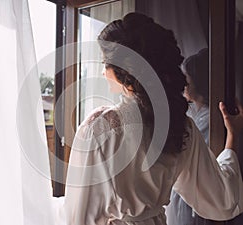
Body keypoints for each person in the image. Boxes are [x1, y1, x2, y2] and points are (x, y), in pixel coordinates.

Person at [63, 13, 243, 225]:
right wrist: (232, 136)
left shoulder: (100, 127)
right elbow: (221, 200)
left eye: (105, 64)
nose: (103, 73)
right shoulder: (180, 125)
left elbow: (79, 217)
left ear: (125, 71)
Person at [166, 49, 211, 225]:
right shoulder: (197, 115)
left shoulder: (209, 119)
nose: (184, 82)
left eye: (188, 77)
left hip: (195, 194)